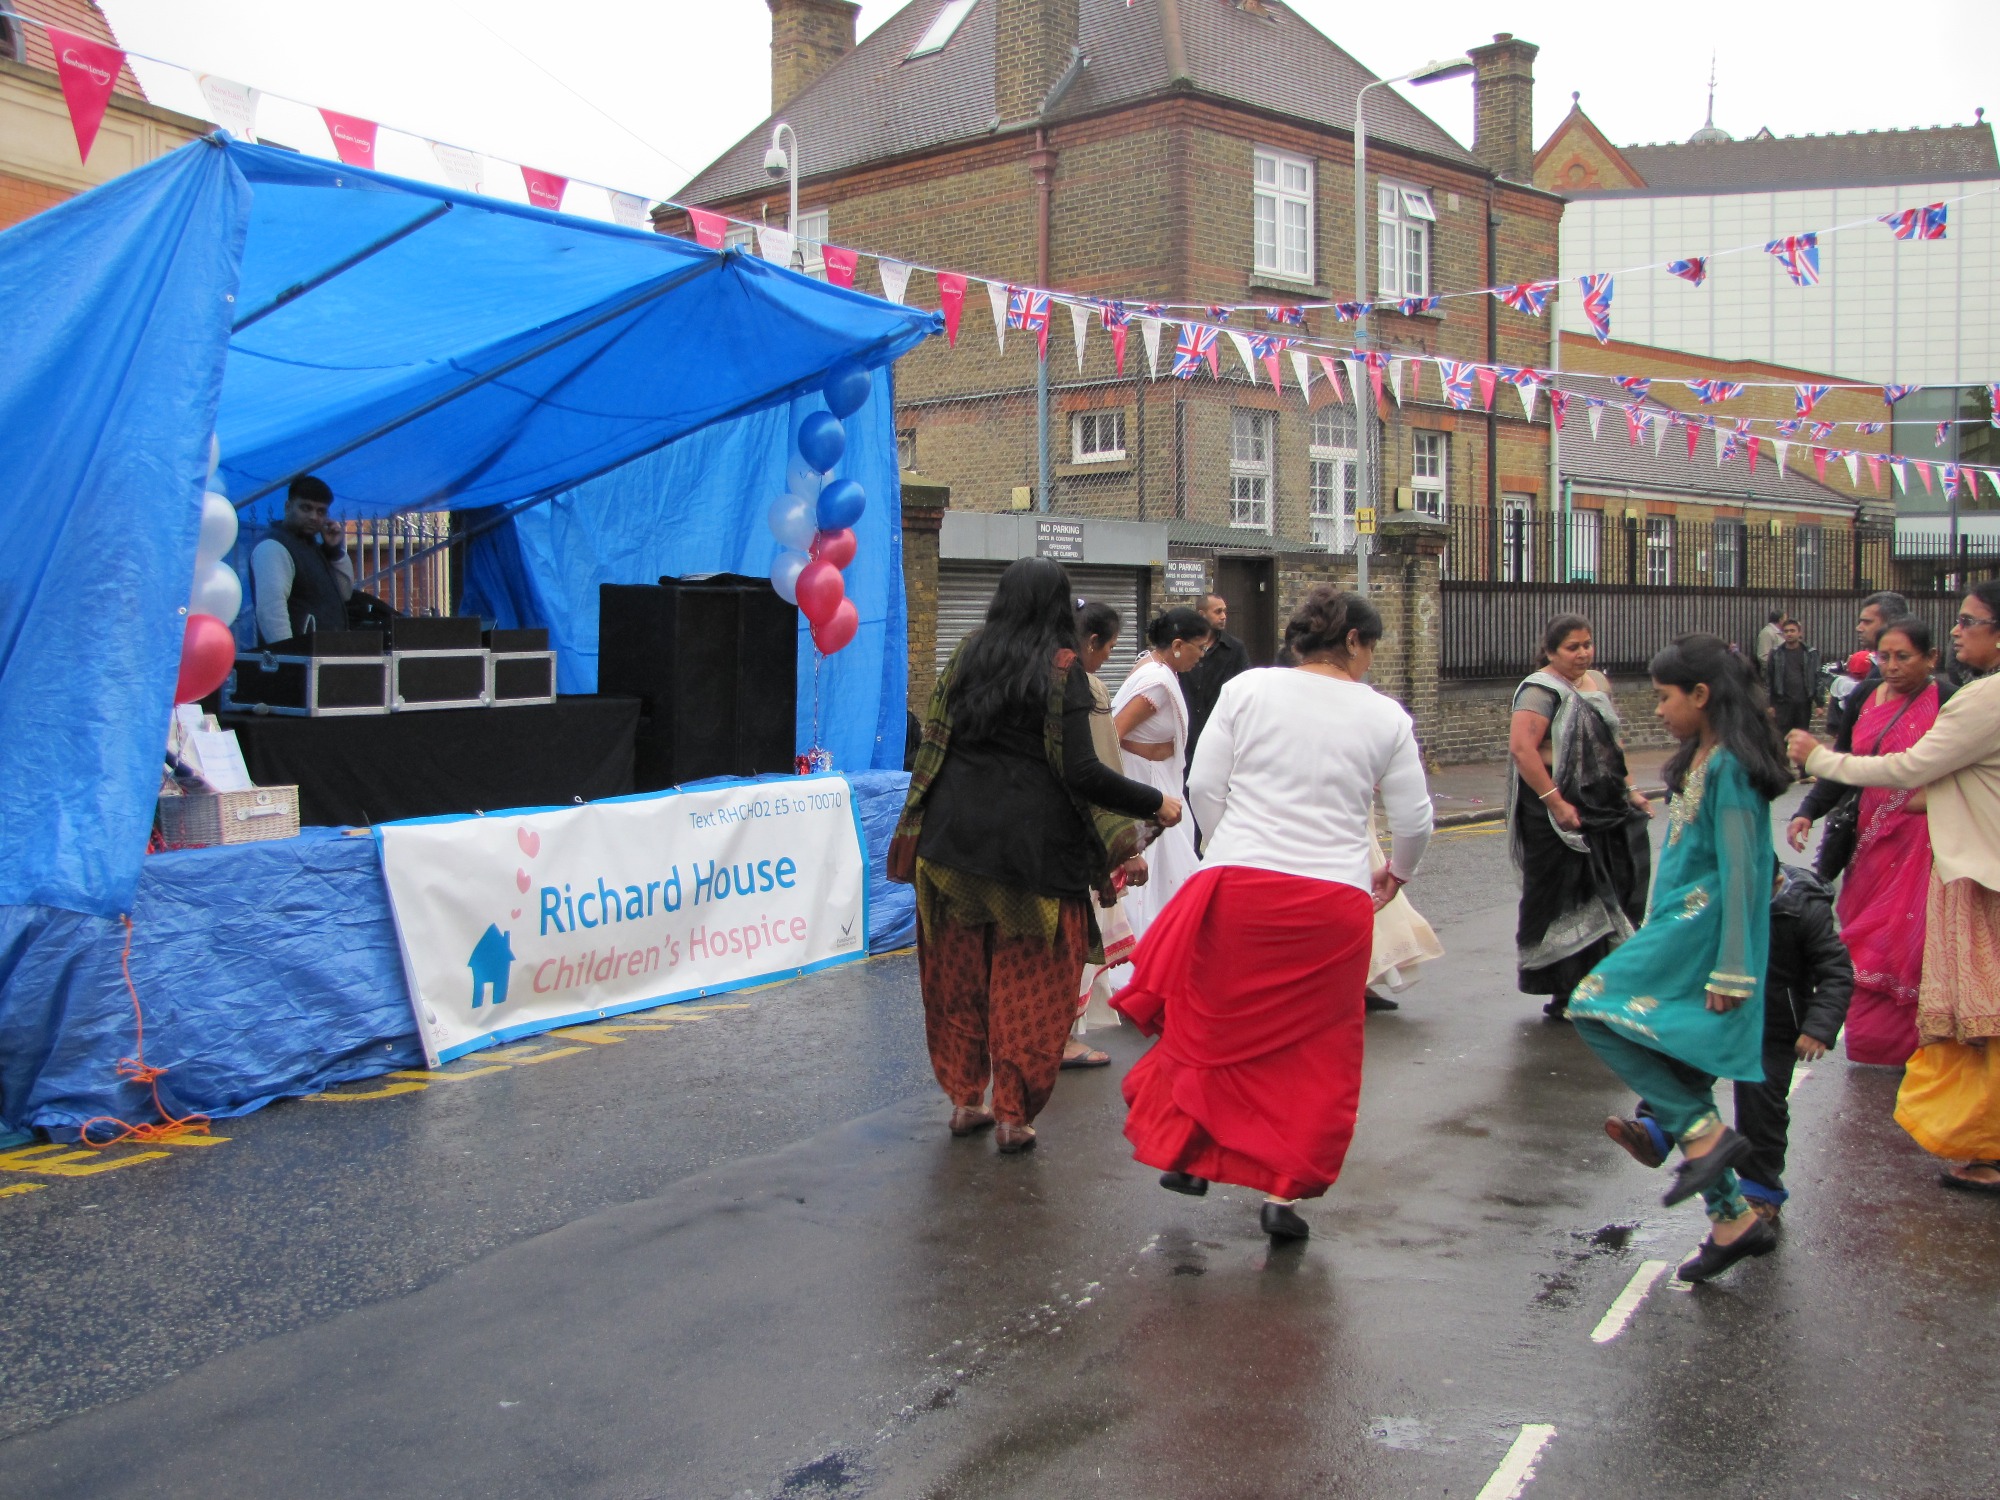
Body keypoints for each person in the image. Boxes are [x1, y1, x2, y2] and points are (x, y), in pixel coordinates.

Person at [1113, 588, 1433, 1242]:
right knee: (1312, 1055)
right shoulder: (1386, 718)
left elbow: (1203, 785)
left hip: (1241, 888)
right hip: (1331, 903)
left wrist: (1229, 846)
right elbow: (1415, 819)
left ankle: (1192, 1153)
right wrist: (1396, 873)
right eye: (1369, 647)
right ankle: (1283, 1195)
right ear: (1352, 642)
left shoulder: (1249, 690)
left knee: (1212, 1029)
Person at [889, 558, 1181, 1154]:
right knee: (1031, 991)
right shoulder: (1064, 669)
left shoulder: (969, 653)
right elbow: (1082, 772)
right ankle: (1013, 1115)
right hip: (1032, 858)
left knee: (957, 980)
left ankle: (965, 1100)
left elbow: (934, 743)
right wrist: (1155, 802)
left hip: (950, 846)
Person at [1569, 634, 1792, 1283]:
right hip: (1680, 919)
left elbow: (1748, 869)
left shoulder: (1731, 768)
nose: (1658, 709)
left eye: (1665, 697)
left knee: (1592, 1005)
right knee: (1683, 1067)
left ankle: (1703, 1135)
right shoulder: (1705, 757)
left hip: (1704, 929)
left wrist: (1733, 966)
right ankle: (1734, 1221)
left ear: (1701, 695)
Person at [1787, 583, 2000, 1197]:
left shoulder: (1977, 700)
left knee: (1977, 1018)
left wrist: (1821, 760)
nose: (1958, 631)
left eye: (1970, 622)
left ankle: (1982, 1146)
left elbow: (1908, 769)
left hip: (1975, 871)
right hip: (1920, 849)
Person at [1605, 863, 1854, 1228]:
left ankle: (1760, 1191)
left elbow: (1836, 971)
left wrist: (1818, 1027)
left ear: (1778, 884)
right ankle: (1654, 1133)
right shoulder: (1719, 900)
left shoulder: (1804, 911)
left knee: (1761, 1104)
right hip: (1723, 1009)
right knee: (1682, 1064)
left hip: (1774, 1026)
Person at [1793, 618, 1948, 1065]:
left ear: (1930, 658)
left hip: (1923, 837)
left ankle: (1916, 1043)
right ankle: (1872, 1041)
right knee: (1861, 936)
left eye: (1905, 657)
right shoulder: (1864, 696)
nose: (1893, 666)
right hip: (1869, 839)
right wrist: (1807, 811)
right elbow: (1843, 763)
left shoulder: (1949, 699)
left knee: (1906, 940)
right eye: (1885, 657)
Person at [1507, 614, 1654, 1020]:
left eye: (1587, 644)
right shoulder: (1540, 689)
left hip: (1600, 805)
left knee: (1616, 883)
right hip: (1553, 809)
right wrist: (1556, 803)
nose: (1583, 653)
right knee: (1564, 893)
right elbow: (1523, 750)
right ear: (1551, 651)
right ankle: (1564, 988)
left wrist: (1630, 789)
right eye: (1573, 647)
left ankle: (1600, 982)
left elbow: (1613, 745)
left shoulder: (1599, 685)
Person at [1108, 607, 1212, 963]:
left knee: (1168, 878)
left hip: (1157, 782)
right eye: (1200, 648)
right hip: (1149, 789)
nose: (1202, 657)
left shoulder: (1154, 668)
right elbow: (1113, 733)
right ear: (1179, 645)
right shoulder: (1156, 681)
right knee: (1157, 879)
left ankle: (1164, 959)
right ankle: (1154, 961)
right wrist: (1152, 750)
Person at [1068, 599, 1144, 1067]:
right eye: (1107, 649)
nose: (1106, 661)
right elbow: (1101, 767)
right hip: (1077, 837)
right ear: (1091, 642)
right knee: (1077, 937)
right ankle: (1061, 1037)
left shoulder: (1004, 674)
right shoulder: (1085, 688)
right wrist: (1127, 845)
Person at [1789, 591, 1910, 852]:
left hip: (1914, 832)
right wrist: (1809, 809)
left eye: (1867, 621)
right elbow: (1846, 755)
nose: (1859, 627)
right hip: (1866, 821)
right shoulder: (1864, 692)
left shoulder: (1940, 697)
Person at [251, 475, 354, 645]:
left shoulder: (312, 547)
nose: (314, 517)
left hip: (322, 657)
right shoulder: (274, 546)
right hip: (298, 662)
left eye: (321, 511)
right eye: (306, 508)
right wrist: (288, 656)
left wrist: (333, 551)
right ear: (288, 507)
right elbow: (271, 609)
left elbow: (345, 593)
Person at [1180, 592, 1251, 763]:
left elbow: (1245, 687)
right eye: (1218, 612)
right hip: (1185, 734)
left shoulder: (1235, 649)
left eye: (1224, 611)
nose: (1224, 616)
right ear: (1202, 615)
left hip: (1219, 732)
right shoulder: (1183, 646)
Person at [1763, 618, 1822, 740]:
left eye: (1792, 631)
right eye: (1786, 631)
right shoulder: (1776, 654)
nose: (1789, 633)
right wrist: (1770, 704)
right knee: (1782, 738)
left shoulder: (1810, 653)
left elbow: (1817, 677)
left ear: (1800, 633)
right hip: (1782, 703)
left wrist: (1819, 703)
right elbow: (1769, 679)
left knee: (1801, 738)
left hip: (1803, 703)